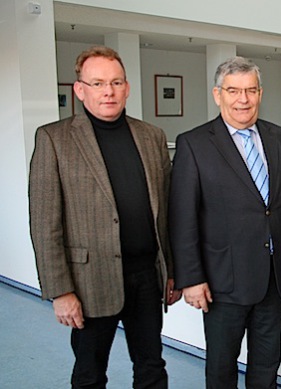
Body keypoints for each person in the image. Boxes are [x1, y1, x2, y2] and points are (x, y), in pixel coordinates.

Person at [29, 46, 181, 388]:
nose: (108, 91)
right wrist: (61, 291)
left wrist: (172, 269)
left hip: (146, 277)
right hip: (88, 282)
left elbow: (168, 212)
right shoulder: (54, 139)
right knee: (89, 374)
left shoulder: (151, 136)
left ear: (127, 87)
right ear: (80, 90)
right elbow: (44, 222)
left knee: (152, 367)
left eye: (115, 82)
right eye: (97, 83)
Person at [168, 56, 281, 388]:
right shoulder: (194, 144)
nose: (243, 100)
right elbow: (182, 216)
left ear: (260, 93)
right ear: (217, 94)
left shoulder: (280, 138)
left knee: (266, 364)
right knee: (221, 367)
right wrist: (190, 278)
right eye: (234, 91)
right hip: (223, 281)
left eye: (250, 90)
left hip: (274, 278)